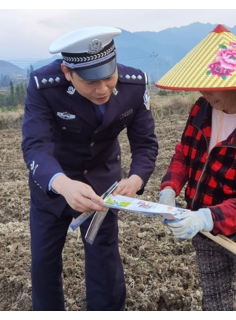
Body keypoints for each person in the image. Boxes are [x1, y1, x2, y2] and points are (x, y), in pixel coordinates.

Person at [21, 26, 158, 311]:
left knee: (104, 261)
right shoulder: (44, 86)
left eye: (108, 78)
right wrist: (62, 183)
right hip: (54, 185)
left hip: (102, 188)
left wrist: (135, 179)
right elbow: (35, 145)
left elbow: (145, 144)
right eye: (90, 82)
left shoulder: (134, 85)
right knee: (44, 262)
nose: (102, 89)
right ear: (68, 72)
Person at [157, 25, 236, 311]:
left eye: (212, 84)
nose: (204, 91)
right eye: (202, 83)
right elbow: (183, 155)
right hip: (203, 225)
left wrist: (208, 217)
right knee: (217, 301)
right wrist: (169, 188)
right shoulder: (201, 109)